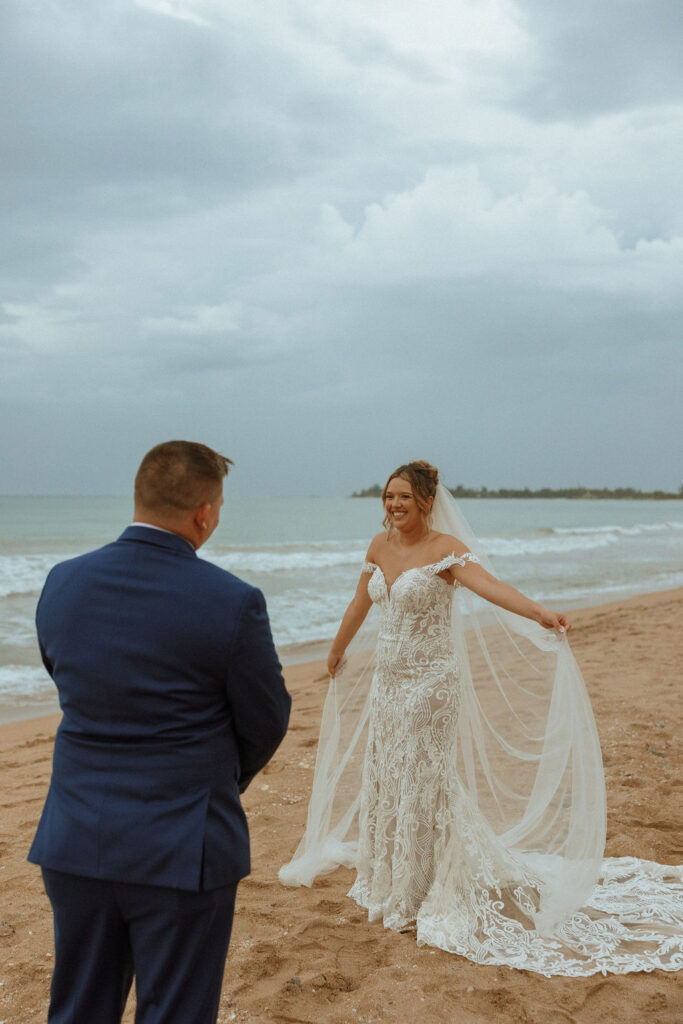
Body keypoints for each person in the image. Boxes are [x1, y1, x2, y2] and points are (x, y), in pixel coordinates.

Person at [280, 460, 683, 977]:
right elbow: (360, 602)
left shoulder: (445, 550)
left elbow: (492, 587)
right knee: (390, 774)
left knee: (424, 780)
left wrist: (539, 612)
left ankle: (420, 888)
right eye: (387, 497)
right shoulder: (378, 546)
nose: (394, 506)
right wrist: (336, 651)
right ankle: (392, 878)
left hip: (432, 684)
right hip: (389, 683)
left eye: (403, 497)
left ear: (426, 501)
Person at [29, 440, 291, 1024]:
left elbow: (70, 681)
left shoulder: (61, 583)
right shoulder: (232, 601)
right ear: (204, 511)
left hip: (75, 838)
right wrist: (218, 781)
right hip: (182, 848)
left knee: (77, 1009)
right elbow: (267, 721)